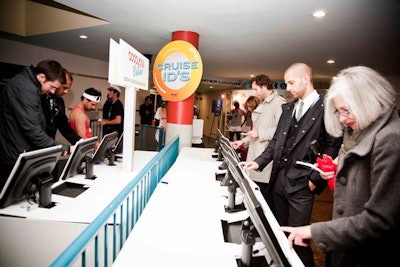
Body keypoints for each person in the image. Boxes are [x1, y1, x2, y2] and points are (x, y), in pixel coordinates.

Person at [280, 66, 400, 267]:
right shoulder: (358, 130)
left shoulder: (391, 139)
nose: (342, 119)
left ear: (367, 103)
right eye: (339, 111)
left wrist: (314, 231)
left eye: (346, 111)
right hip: (343, 243)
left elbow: (381, 220)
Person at [242, 63, 341, 267]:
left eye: (291, 82)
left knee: (298, 240)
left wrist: (315, 180)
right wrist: (258, 162)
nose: (288, 88)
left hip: (303, 185)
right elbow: (277, 143)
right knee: (280, 233)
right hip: (279, 180)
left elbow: (333, 146)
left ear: (306, 79)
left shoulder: (326, 107)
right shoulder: (289, 109)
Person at [0, 59, 70, 191]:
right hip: (14, 157)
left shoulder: (29, 86)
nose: (53, 92)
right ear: (42, 77)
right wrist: (63, 147)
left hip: (19, 152)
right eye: (53, 87)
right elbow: (33, 131)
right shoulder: (24, 88)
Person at [232, 75, 286, 197]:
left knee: (263, 197)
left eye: (256, 89)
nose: (254, 92)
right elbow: (256, 131)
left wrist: (260, 133)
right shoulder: (263, 104)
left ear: (264, 86)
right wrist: (242, 142)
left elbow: (281, 131)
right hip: (255, 154)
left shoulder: (278, 103)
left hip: (265, 157)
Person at [41, 68, 81, 145]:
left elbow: (65, 127)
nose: (66, 91)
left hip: (48, 147)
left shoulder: (59, 101)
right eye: (64, 87)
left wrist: (80, 143)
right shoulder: (38, 98)